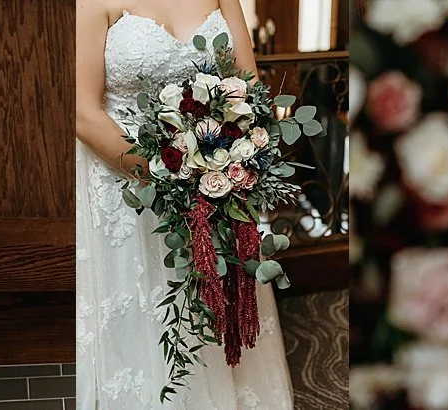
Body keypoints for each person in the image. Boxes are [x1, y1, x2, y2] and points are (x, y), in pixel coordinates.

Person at [73, 0, 294, 408]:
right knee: (146, 316)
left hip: (214, 182)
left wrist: (224, 162)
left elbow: (248, 86)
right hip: (127, 184)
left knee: (213, 299)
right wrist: (169, 173)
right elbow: (84, 114)